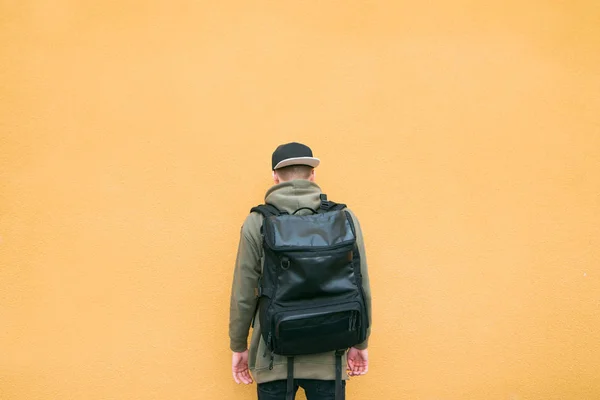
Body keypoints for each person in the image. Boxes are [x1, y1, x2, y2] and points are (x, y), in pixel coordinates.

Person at [229, 142, 372, 400]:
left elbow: (243, 292)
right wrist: (360, 342)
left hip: (273, 357)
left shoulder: (258, 222)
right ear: (313, 175)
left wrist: (238, 346)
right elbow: (361, 286)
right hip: (331, 356)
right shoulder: (344, 218)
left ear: (275, 176)